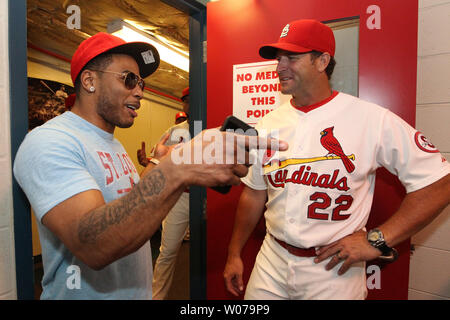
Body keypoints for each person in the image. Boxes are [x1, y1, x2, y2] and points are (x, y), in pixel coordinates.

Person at [13, 32, 287, 300]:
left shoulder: (110, 142)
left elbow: (130, 205)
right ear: (89, 80)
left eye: (141, 84)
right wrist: (178, 168)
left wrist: (162, 164)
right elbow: (93, 244)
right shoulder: (49, 141)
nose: (139, 92)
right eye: (129, 80)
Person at [223, 19, 450, 300]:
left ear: (322, 61)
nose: (280, 66)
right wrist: (234, 253)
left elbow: (439, 182)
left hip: (334, 270)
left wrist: (377, 240)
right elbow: (254, 194)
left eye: (291, 58)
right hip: (272, 260)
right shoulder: (266, 124)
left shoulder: (371, 119)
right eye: (279, 59)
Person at [137, 87, 192, 299]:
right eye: (185, 100)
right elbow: (156, 161)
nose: (189, 104)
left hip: (207, 198)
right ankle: (156, 297)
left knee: (210, 251)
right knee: (167, 251)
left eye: (193, 99)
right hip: (179, 196)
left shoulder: (214, 128)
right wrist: (147, 162)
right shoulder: (174, 132)